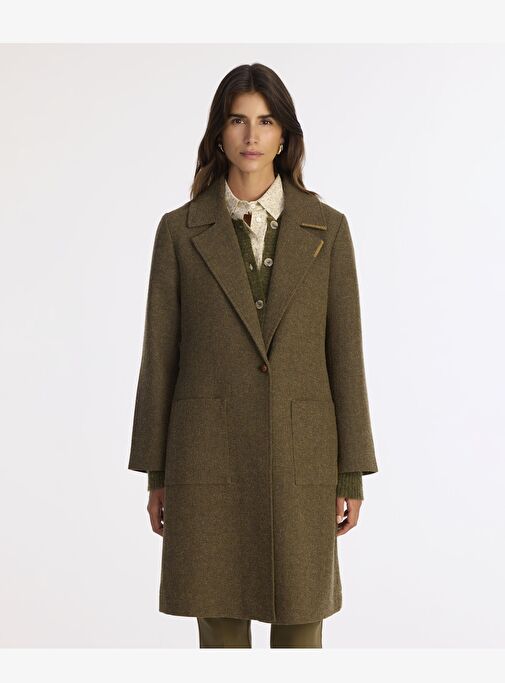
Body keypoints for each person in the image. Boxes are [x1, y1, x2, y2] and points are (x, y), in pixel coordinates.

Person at [128, 63, 379, 648]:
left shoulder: (328, 229)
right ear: (219, 132)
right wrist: (157, 473)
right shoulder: (179, 232)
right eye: (238, 120)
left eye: (265, 122)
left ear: (284, 135)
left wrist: (351, 471)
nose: (251, 136)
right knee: (219, 627)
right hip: (206, 455)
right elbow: (159, 357)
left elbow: (346, 355)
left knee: (300, 628)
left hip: (302, 457)